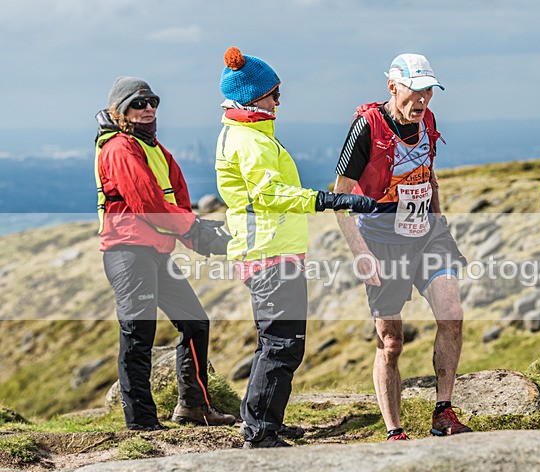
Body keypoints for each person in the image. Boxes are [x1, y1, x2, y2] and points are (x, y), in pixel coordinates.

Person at [215, 47, 376, 448]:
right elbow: (270, 194)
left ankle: (262, 418)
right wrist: (328, 199)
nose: (278, 101)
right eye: (274, 94)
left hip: (271, 251)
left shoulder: (250, 134)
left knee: (275, 341)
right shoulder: (250, 141)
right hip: (269, 253)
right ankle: (260, 431)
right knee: (283, 344)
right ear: (254, 98)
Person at [333, 53, 472, 441]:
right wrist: (361, 253)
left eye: (428, 91)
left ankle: (443, 412)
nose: (422, 100)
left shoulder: (428, 120)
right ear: (393, 87)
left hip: (427, 235)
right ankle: (394, 431)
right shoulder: (367, 127)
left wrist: (440, 221)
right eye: (415, 91)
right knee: (391, 342)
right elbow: (340, 198)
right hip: (381, 240)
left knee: (452, 315)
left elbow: (429, 175)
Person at [95, 76, 237, 431]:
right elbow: (148, 205)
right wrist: (196, 230)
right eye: (138, 104)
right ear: (120, 111)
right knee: (138, 334)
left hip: (155, 253)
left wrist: (200, 238)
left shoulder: (155, 150)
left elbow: (176, 205)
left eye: (152, 102)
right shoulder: (119, 148)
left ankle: (193, 406)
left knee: (195, 323)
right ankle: (141, 422)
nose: (148, 108)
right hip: (128, 252)